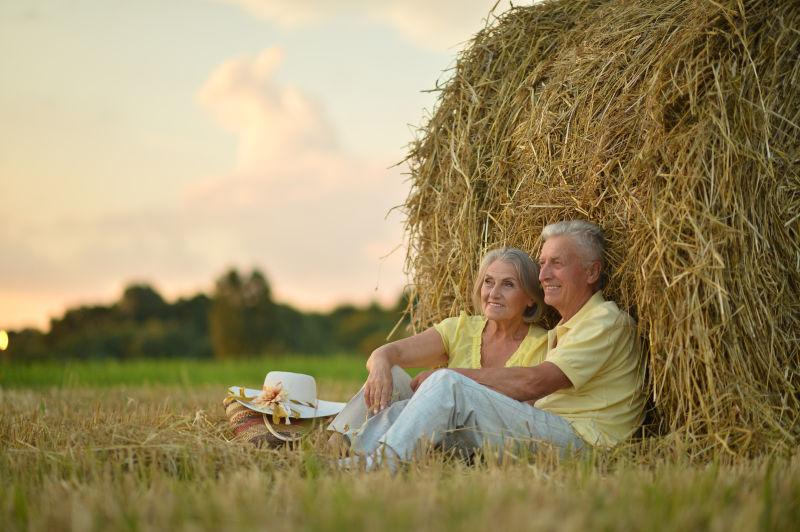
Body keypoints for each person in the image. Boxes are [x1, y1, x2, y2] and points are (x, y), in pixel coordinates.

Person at [329, 220, 646, 470]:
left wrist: (451, 380)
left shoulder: (604, 321)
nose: (544, 274)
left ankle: (377, 464)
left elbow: (535, 382)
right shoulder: (564, 328)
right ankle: (350, 449)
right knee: (431, 393)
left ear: (591, 271)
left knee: (446, 385)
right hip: (554, 430)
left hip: (583, 443)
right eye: (542, 263)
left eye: (557, 263)